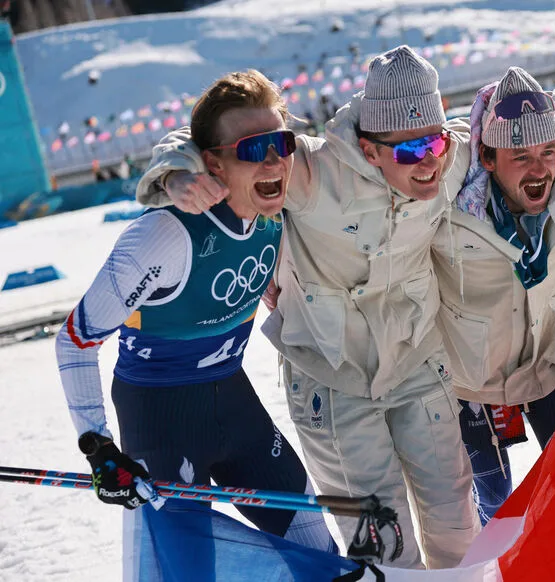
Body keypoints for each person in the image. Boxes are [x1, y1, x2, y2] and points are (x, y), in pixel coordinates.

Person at [135, 46, 480, 570]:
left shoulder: (447, 158)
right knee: (382, 542)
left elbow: (523, 120)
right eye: (410, 151)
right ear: (368, 149)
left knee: (458, 527)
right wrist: (175, 176)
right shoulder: (311, 170)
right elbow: (208, 142)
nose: (429, 159)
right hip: (332, 375)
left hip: (416, 362)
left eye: (434, 142)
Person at [55, 69, 337, 572]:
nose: (274, 160)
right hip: (160, 421)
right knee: (190, 572)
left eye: (281, 143)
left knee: (319, 557)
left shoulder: (277, 205)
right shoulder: (163, 237)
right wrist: (97, 446)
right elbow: (75, 340)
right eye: (253, 149)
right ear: (211, 163)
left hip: (234, 405)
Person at [432, 66, 555, 524]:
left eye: (547, 151)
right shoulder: (447, 206)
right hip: (467, 384)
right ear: (488, 159)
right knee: (496, 507)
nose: (539, 169)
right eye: (520, 156)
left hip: (545, 371)